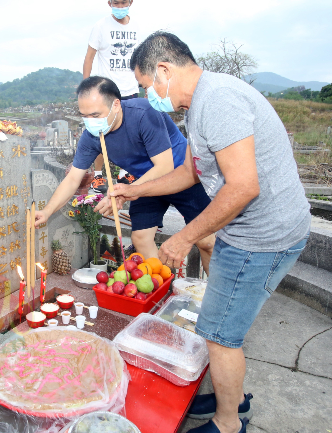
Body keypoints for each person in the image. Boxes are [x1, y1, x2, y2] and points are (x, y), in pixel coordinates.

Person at [111, 31, 311, 433]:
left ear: (163, 70)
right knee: (222, 326)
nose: (149, 96)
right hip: (258, 231)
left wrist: (184, 238)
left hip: (260, 237)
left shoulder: (217, 101)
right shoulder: (202, 102)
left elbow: (242, 187)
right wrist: (133, 189)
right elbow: (188, 171)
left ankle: (227, 422)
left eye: (147, 86)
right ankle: (232, 397)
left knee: (219, 334)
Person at [35, 76, 215, 269]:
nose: (90, 122)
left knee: (207, 242)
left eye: (95, 115)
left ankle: (211, 295)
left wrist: (124, 193)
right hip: (145, 181)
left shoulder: (144, 113)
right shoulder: (91, 136)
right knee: (141, 238)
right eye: (84, 116)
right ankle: (162, 285)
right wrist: (47, 211)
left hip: (181, 175)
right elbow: (72, 179)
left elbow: (164, 166)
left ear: (116, 105)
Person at [83, 0, 140, 193]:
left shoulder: (138, 27)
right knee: (102, 133)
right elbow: (89, 57)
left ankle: (124, 172)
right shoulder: (100, 27)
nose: (120, 5)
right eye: (115, 2)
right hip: (107, 90)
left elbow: (143, 58)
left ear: (131, 2)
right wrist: (87, 89)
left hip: (131, 89)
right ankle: (98, 176)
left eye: (123, 1)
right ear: (109, 3)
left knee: (128, 134)